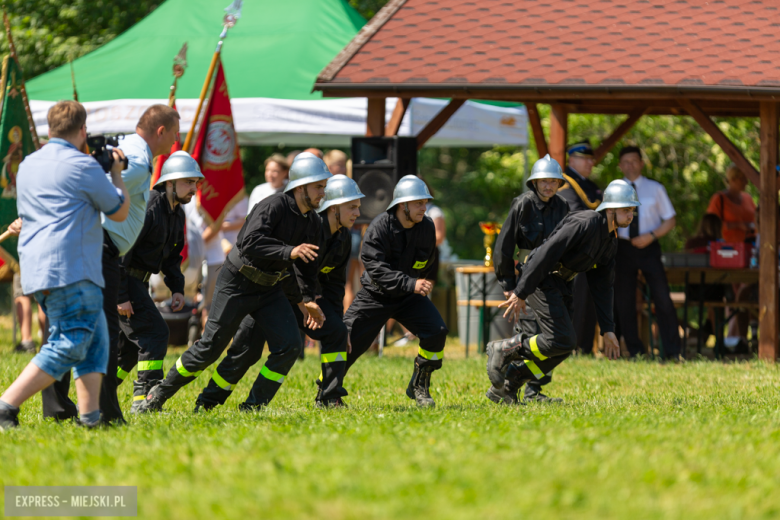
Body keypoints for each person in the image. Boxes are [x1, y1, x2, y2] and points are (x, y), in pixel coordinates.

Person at [137, 152, 331, 413]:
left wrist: (307, 300)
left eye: (324, 187)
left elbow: (307, 268)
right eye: (319, 186)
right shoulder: (274, 205)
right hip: (237, 282)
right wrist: (289, 251)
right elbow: (249, 242)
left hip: (270, 288)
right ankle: (157, 396)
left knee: (290, 346)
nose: (323, 192)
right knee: (209, 348)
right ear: (301, 185)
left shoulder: (314, 222)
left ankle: (252, 407)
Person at [41, 103, 180, 424]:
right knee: (97, 332)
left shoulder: (132, 151)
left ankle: (67, 408)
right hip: (99, 249)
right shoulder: (135, 160)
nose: (176, 141)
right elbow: (90, 186)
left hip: (98, 248)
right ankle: (101, 412)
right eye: (174, 134)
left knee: (81, 330)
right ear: (161, 131)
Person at [0, 100, 129, 430]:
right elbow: (118, 210)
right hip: (71, 267)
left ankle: (90, 419)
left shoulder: (28, 164)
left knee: (96, 340)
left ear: (50, 129)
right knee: (69, 341)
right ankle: (5, 405)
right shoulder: (83, 166)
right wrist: (116, 172)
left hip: (37, 267)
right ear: (83, 130)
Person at [193, 174, 363, 411]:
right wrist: (303, 302)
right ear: (334, 208)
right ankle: (208, 400)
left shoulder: (343, 238)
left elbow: (334, 286)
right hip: (273, 297)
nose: (358, 212)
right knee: (245, 352)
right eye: (352, 206)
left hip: (306, 303)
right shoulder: (311, 226)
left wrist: (335, 320)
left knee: (335, 331)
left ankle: (328, 397)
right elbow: (286, 268)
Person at [485, 180, 636, 404]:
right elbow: (546, 252)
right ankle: (504, 348)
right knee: (560, 340)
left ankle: (509, 385)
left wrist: (608, 329)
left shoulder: (610, 241)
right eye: (626, 209)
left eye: (632, 209)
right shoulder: (586, 222)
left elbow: (603, 287)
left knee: (563, 346)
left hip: (562, 283)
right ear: (610, 208)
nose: (631, 214)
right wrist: (521, 291)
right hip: (541, 277)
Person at [342, 175, 447, 407]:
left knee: (436, 331)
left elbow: (427, 261)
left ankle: (420, 386)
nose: (424, 207)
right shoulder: (379, 226)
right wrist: (411, 283)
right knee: (346, 340)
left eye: (425, 202)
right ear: (403, 205)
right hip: (375, 294)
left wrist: (418, 283)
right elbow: (375, 267)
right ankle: (328, 392)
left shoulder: (427, 227)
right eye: (418, 202)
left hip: (408, 297)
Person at [113, 152, 202, 412]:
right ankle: (145, 399)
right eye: (188, 182)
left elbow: (172, 257)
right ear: (169, 182)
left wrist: (177, 288)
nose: (194, 189)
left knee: (129, 350)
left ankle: (102, 389)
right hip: (122, 280)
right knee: (155, 333)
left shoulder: (177, 213)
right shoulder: (149, 207)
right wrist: (120, 296)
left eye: (195, 183)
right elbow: (121, 252)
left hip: (137, 283)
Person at [491, 154, 568, 404]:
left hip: (554, 278)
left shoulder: (563, 207)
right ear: (534, 183)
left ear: (559, 184)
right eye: (542, 181)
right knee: (530, 331)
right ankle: (508, 388)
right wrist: (508, 285)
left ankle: (534, 391)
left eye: (553, 182)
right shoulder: (522, 204)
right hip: (526, 279)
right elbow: (503, 245)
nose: (548, 186)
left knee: (551, 335)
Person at [612, 146, 680, 360]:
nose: (630, 165)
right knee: (624, 301)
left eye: (634, 160)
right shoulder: (614, 189)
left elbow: (670, 219)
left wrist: (651, 236)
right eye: (626, 161)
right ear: (620, 166)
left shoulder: (655, 188)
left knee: (662, 298)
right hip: (622, 248)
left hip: (649, 246)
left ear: (642, 163)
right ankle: (635, 351)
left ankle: (671, 352)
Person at [557, 140, 603, 356]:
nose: (590, 163)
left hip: (592, 252)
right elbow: (576, 216)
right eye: (585, 159)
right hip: (574, 253)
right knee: (576, 301)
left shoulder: (590, 185)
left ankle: (584, 347)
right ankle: (572, 346)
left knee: (590, 302)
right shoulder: (566, 183)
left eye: (591, 159)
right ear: (572, 159)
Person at [706, 165, 755, 244]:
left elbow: (757, 221)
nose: (746, 182)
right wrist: (737, 225)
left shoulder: (748, 198)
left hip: (749, 247)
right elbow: (710, 225)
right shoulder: (719, 199)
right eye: (743, 179)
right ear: (733, 179)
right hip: (726, 249)